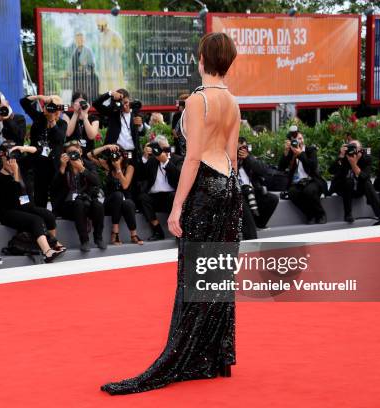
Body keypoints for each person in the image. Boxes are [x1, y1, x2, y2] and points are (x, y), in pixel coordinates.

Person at [101, 32, 242, 395]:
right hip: (229, 189)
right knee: (216, 276)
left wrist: (177, 205)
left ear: (201, 59)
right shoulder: (233, 101)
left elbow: (193, 157)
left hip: (205, 189)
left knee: (195, 275)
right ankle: (212, 355)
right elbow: (231, 155)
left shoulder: (199, 101)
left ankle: (185, 359)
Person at [0, 150, 66, 263]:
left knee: (48, 215)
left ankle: (53, 243)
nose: (10, 162)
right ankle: (47, 252)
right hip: (8, 211)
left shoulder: (21, 171)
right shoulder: (0, 176)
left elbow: (37, 153)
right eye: (7, 159)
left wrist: (22, 149)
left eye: (12, 159)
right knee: (36, 220)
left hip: (24, 206)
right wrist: (16, 175)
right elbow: (15, 197)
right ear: (2, 160)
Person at [52, 140, 105, 252]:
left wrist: (82, 169)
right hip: (68, 205)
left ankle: (98, 238)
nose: (73, 155)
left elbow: (97, 182)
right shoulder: (63, 165)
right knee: (78, 203)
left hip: (87, 201)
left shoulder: (88, 164)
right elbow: (54, 187)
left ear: (80, 151)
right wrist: (62, 167)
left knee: (98, 205)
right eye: (69, 153)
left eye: (75, 152)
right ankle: (84, 240)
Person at [88, 144, 144, 245]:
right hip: (110, 203)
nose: (116, 157)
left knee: (128, 203)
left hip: (124, 203)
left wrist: (118, 168)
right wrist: (106, 147)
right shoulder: (107, 166)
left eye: (118, 154)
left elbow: (125, 185)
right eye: (114, 154)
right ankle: (115, 231)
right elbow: (89, 155)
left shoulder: (129, 167)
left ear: (123, 155)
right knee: (118, 195)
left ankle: (133, 234)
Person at [20, 94, 67, 210]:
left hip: (53, 163)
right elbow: (23, 102)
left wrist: (52, 122)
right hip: (38, 162)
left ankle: (55, 219)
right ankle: (41, 217)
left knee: (56, 193)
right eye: (48, 106)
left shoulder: (62, 123)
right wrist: (40, 97)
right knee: (40, 194)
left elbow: (59, 138)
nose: (50, 109)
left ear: (58, 109)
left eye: (53, 107)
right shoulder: (39, 117)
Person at [329, 139, 380, 225]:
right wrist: (341, 155)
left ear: (361, 149)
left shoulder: (366, 158)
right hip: (343, 188)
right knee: (348, 181)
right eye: (351, 147)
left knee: (367, 183)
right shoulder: (343, 156)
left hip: (359, 188)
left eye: (355, 147)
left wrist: (353, 163)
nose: (353, 150)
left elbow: (364, 177)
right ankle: (348, 215)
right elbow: (331, 171)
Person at [134, 136, 183, 241]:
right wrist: (145, 158)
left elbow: (179, 177)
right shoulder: (152, 161)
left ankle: (179, 232)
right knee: (143, 197)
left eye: (165, 149)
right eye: (159, 149)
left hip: (171, 196)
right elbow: (140, 175)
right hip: (155, 197)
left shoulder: (177, 159)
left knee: (174, 196)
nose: (162, 152)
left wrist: (166, 161)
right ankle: (157, 230)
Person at [278, 129, 328, 224]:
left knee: (309, 191)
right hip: (298, 183)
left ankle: (321, 214)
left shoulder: (310, 150)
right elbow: (281, 168)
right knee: (292, 193)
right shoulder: (290, 153)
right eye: (297, 139)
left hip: (313, 180)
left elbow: (312, 166)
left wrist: (300, 154)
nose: (300, 141)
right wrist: (286, 152)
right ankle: (310, 215)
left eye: (301, 138)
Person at [237, 137, 279, 239]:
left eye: (244, 147)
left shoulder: (249, 159)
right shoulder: (229, 159)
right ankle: (247, 227)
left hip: (253, 192)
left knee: (272, 199)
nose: (242, 150)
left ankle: (259, 223)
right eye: (239, 148)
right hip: (239, 194)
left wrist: (248, 158)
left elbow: (264, 171)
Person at [92, 88, 147, 161]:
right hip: (116, 152)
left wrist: (140, 126)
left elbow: (142, 133)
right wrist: (110, 93)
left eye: (126, 102)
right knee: (116, 171)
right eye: (122, 104)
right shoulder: (113, 112)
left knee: (132, 170)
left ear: (129, 100)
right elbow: (95, 104)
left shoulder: (136, 113)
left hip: (132, 152)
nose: (124, 106)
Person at [63, 92, 99, 158]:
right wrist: (76, 113)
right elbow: (68, 133)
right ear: (73, 104)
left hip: (88, 153)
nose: (80, 105)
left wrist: (85, 116)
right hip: (71, 153)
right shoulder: (67, 115)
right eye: (77, 102)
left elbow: (91, 136)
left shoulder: (93, 118)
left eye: (82, 102)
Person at [95, 17, 125, 92]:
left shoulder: (114, 34)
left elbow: (121, 46)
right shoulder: (101, 35)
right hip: (104, 62)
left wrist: (115, 56)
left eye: (99, 26)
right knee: (106, 85)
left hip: (113, 62)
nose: (98, 28)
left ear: (104, 25)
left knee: (114, 82)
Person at [68, 32, 99, 100]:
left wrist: (85, 66)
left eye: (81, 39)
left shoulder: (88, 51)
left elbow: (93, 64)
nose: (79, 41)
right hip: (76, 77)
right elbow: (72, 65)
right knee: (76, 95)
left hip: (86, 78)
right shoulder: (74, 52)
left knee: (85, 94)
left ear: (83, 40)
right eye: (77, 39)